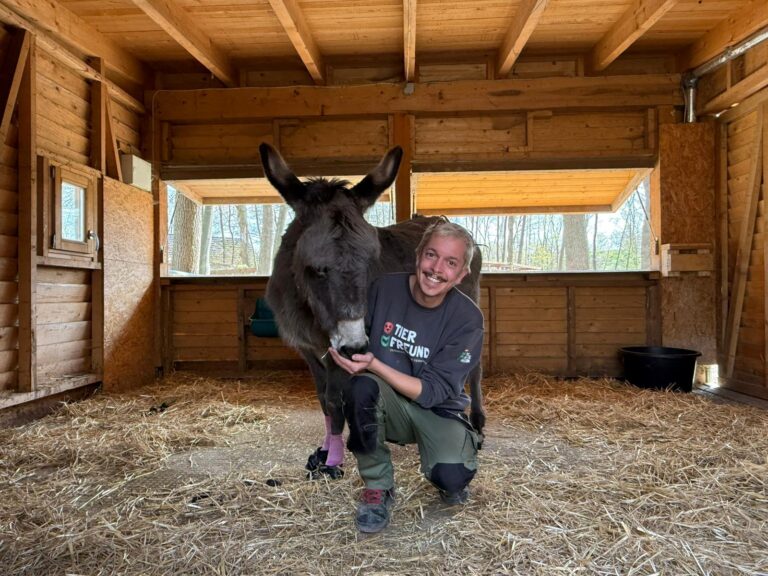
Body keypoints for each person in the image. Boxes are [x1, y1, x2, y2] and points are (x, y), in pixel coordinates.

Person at [328, 219, 484, 534]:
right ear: (418, 256)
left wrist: (374, 365)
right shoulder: (383, 289)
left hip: (437, 410)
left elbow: (432, 392)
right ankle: (377, 487)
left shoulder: (467, 319)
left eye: (451, 262)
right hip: (388, 403)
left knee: (452, 478)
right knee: (358, 389)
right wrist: (342, 354)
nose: (437, 268)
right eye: (431, 255)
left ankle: (459, 449)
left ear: (462, 274)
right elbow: (354, 335)